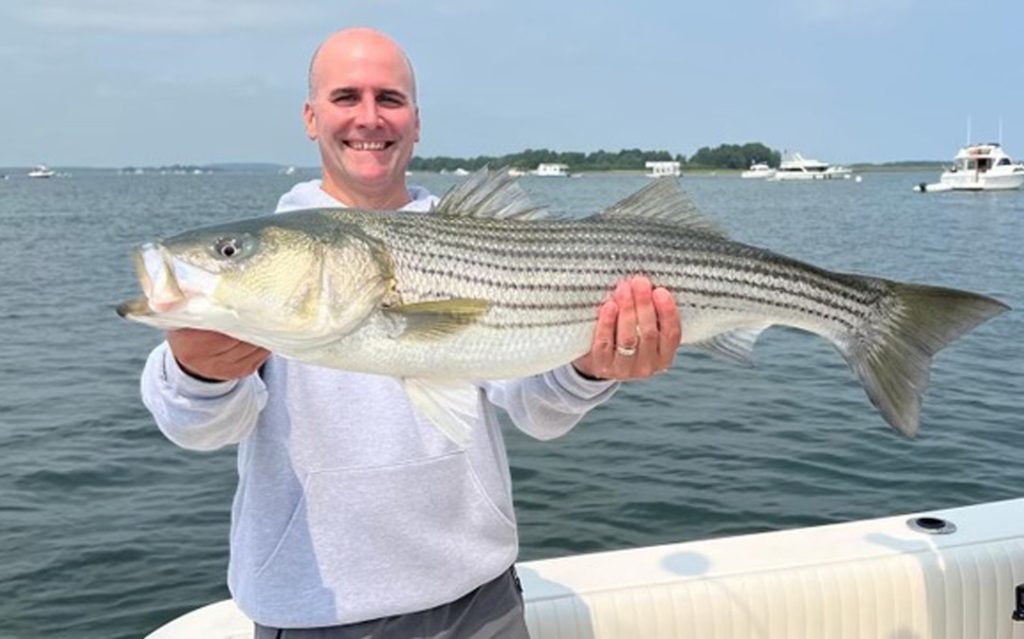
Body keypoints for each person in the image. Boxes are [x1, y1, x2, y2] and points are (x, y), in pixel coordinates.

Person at [140, 28, 681, 638]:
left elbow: (540, 413)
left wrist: (593, 368)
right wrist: (198, 372)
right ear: (310, 116)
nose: (369, 118)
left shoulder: (476, 242)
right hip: (316, 616)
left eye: (389, 99)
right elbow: (200, 429)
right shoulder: (275, 266)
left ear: (417, 122)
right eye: (346, 97)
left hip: (484, 603)